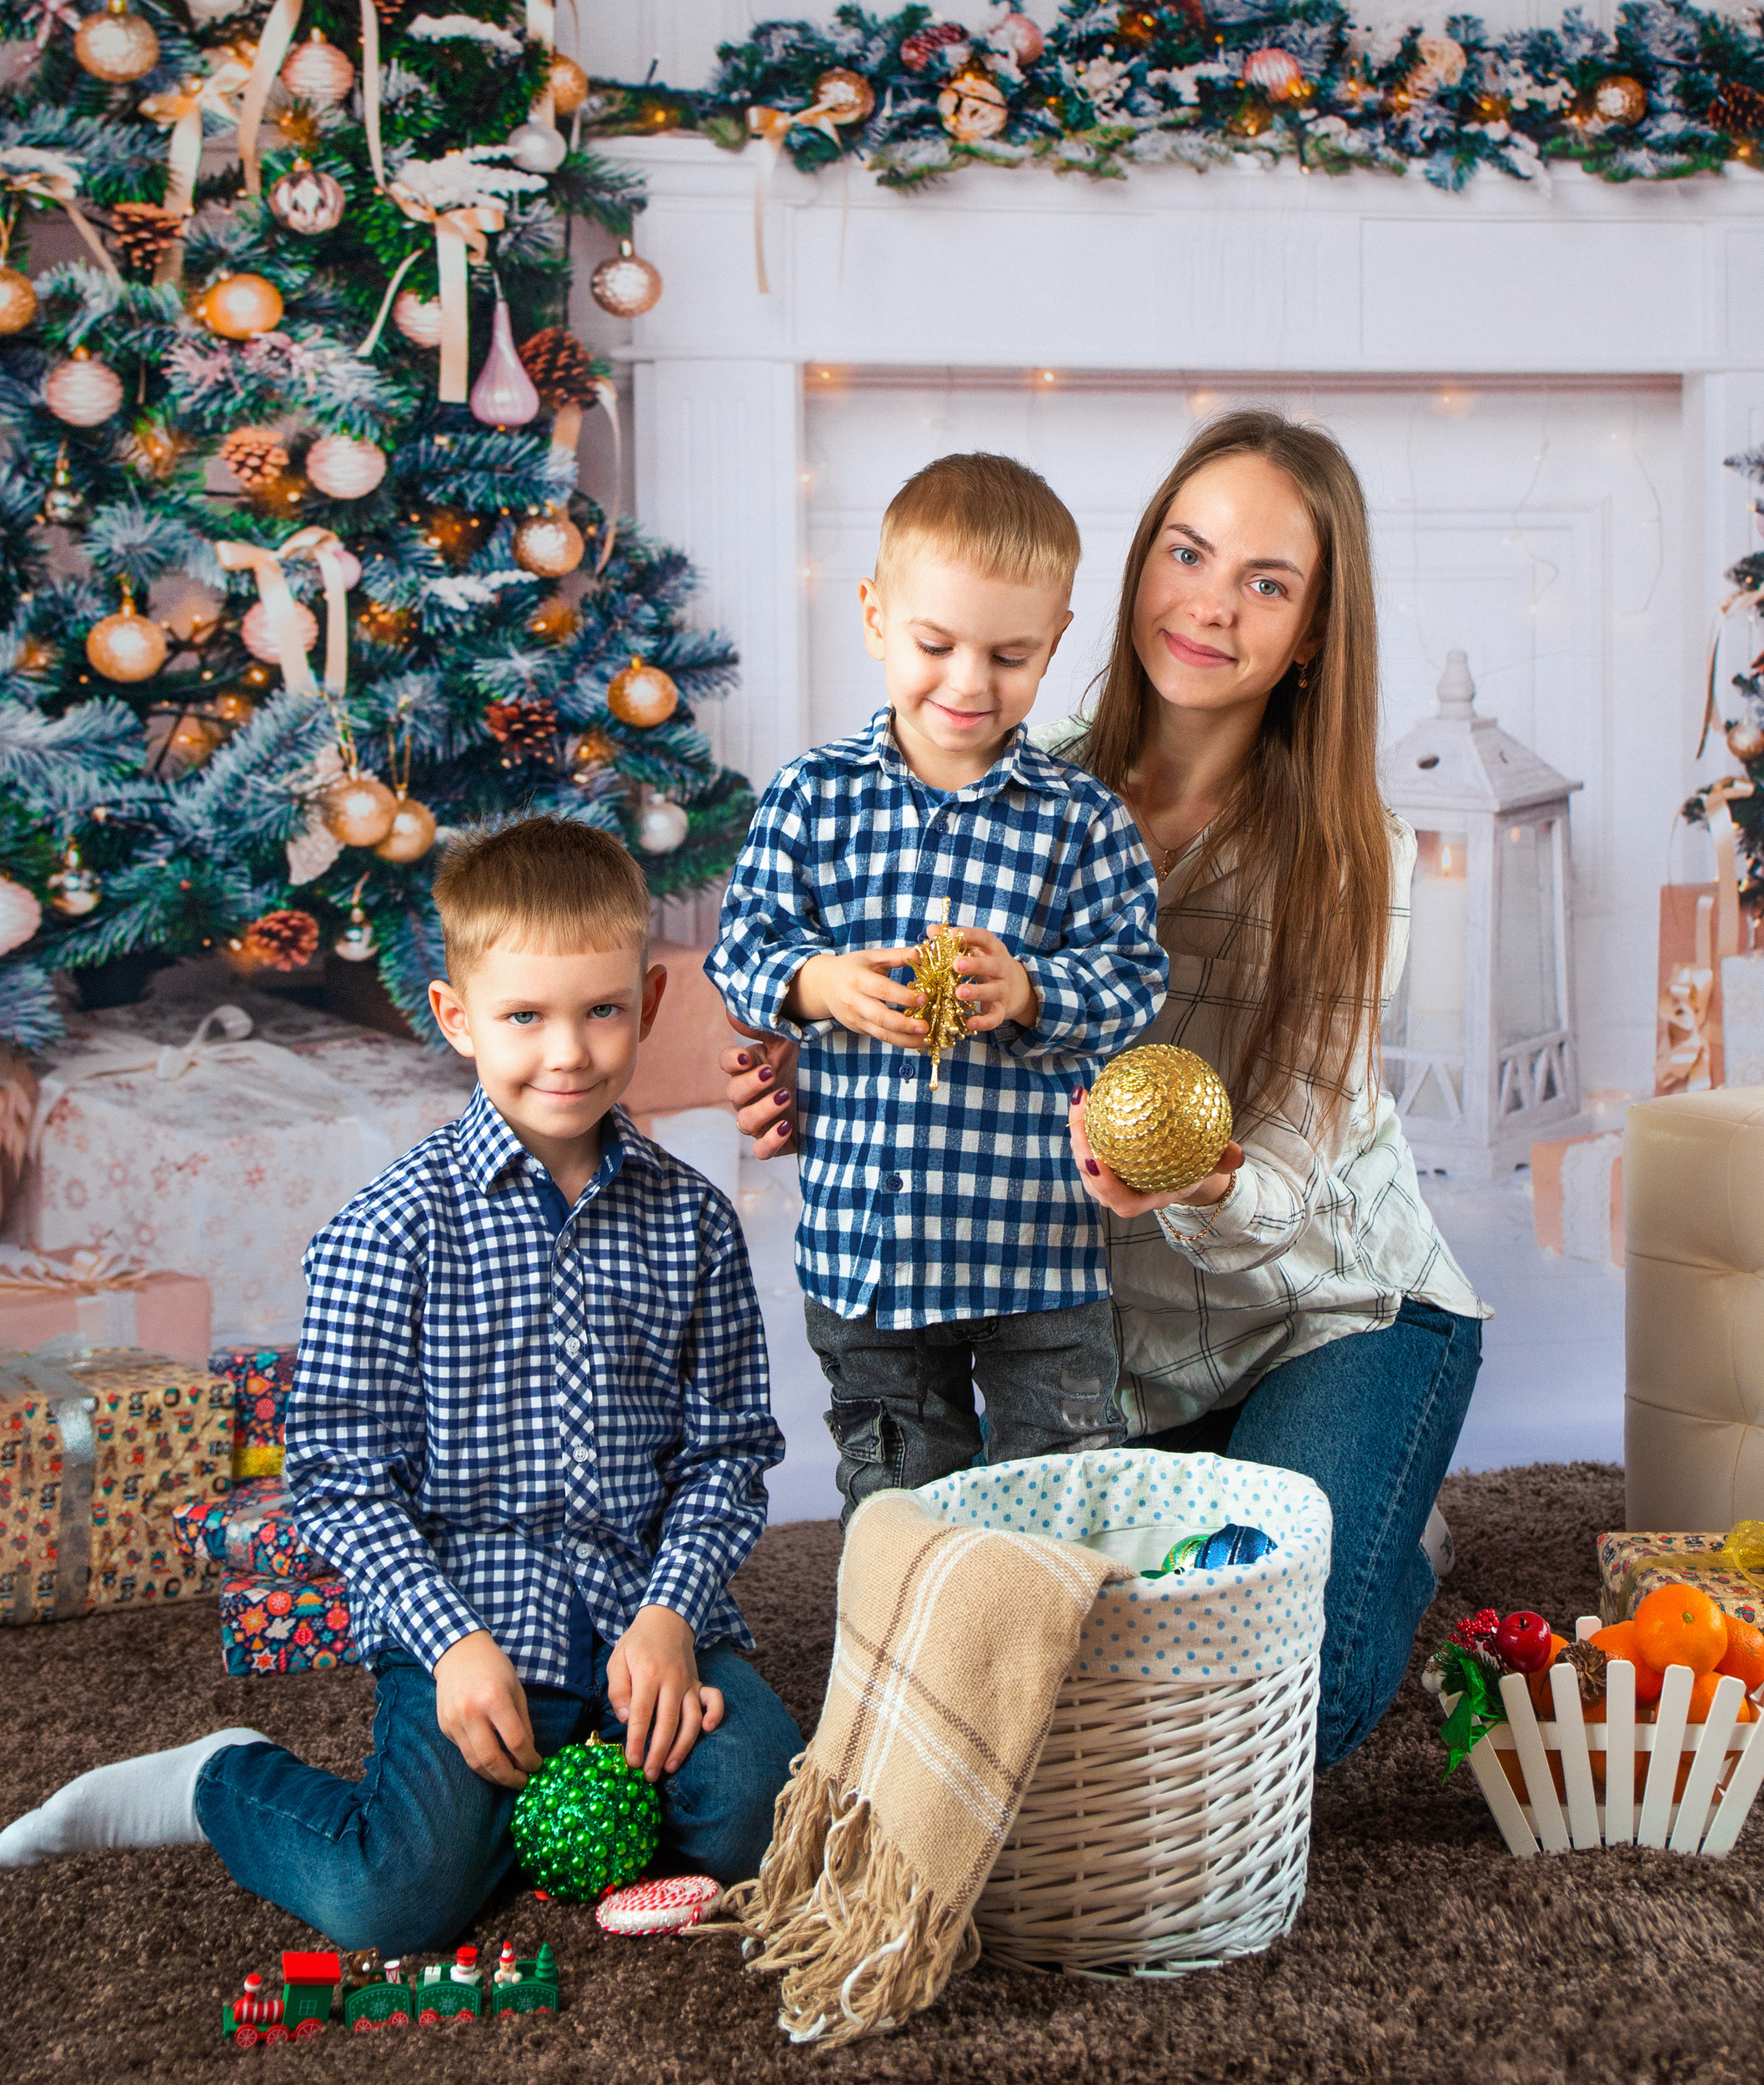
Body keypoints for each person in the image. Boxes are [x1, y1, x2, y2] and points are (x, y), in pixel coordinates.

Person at [725, 413, 1486, 1767]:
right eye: (1187, 552)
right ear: (1133, 575)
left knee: (1275, 1702)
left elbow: (1295, 1160)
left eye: (1267, 581)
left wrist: (1196, 1176)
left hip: (1328, 1305)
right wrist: (816, 1058)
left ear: (1313, 631)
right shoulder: (1017, 774)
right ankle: (1279, 1491)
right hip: (1115, 1341)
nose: (1210, 600)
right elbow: (882, 995)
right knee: (1042, 1678)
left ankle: (1375, 1519)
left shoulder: (1353, 849)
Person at [0, 815, 803, 1947]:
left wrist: (672, 1611)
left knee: (769, 1817)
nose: (566, 1050)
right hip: (465, 1621)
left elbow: (726, 1451)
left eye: (600, 1009)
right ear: (456, 1018)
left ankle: (566, 1786)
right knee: (397, 1897)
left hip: (643, 1607)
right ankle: (221, 1780)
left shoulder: (696, 1223)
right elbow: (336, 1477)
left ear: (649, 1005)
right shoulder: (386, 1231)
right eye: (524, 1015)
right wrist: (454, 1645)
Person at [709, 452, 1168, 1518]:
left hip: (1037, 1261)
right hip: (870, 1263)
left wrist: (1035, 990)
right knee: (900, 1508)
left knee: (1063, 1510)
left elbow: (1135, 975)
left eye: (1011, 655)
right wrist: (817, 983)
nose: (968, 682)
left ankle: (1060, 1680)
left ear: (1054, 642)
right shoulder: (811, 797)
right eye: (935, 644)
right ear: (874, 616)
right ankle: (914, 1672)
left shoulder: (1080, 818)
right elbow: (740, 948)